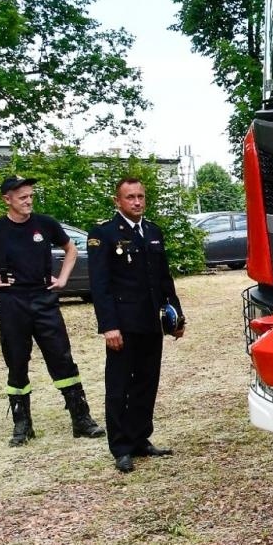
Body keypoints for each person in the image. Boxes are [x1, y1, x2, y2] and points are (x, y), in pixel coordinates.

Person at [0, 175, 104, 445]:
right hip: (13, 302)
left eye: (31, 196)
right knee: (17, 361)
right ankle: (22, 424)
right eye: (22, 197)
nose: (28, 201)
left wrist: (64, 278)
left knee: (62, 358)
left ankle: (81, 419)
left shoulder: (45, 224)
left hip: (44, 300)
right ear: (7, 199)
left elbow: (70, 249)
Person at [87, 177, 184, 474]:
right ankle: (120, 447)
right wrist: (109, 326)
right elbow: (100, 286)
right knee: (119, 386)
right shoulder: (103, 234)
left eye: (141, 196)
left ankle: (140, 437)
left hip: (150, 323)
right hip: (123, 325)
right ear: (118, 201)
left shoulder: (152, 232)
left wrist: (177, 316)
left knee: (146, 382)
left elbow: (164, 279)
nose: (137, 202)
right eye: (130, 197)